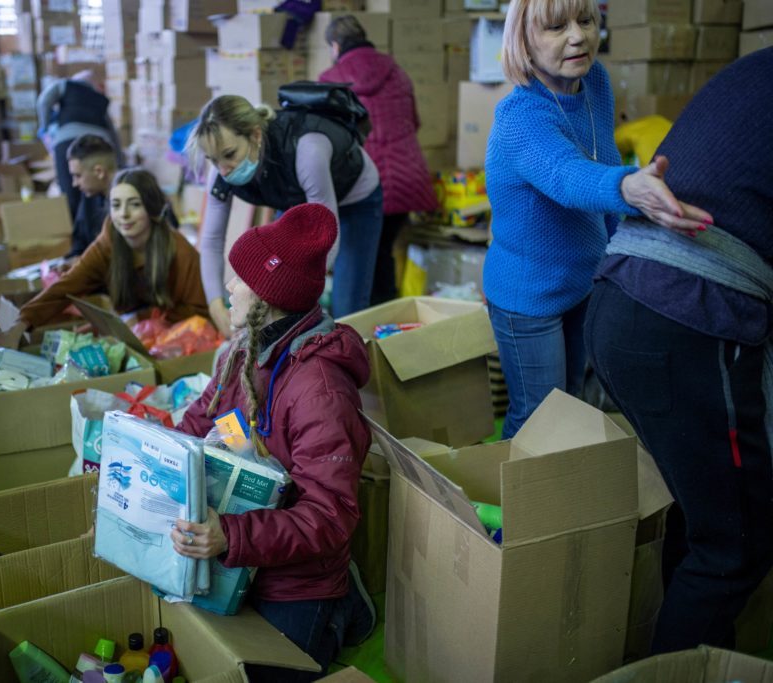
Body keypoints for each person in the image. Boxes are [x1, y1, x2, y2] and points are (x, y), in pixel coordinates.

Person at [586, 47, 773, 655]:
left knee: (702, 514)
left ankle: (704, 659)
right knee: (736, 547)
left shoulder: (755, 67)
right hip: (684, 320)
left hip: (621, 302)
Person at [483, 0, 711, 438]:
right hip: (528, 297)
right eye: (555, 27)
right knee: (536, 418)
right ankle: (519, 504)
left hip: (582, 282)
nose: (577, 36)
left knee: (572, 406)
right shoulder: (521, 117)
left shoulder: (595, 85)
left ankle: (571, 500)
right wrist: (629, 188)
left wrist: (619, 257)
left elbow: (602, 156)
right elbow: (566, 175)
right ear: (524, 42)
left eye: (586, 21)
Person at [171, 204, 375, 681]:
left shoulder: (320, 391)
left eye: (238, 279)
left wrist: (233, 536)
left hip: (294, 578)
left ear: (268, 296)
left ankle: (340, 604)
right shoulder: (241, 351)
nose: (227, 288)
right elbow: (199, 420)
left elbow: (329, 515)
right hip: (237, 543)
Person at [189, 94, 382, 335]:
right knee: (277, 299)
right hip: (294, 198)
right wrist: (216, 305)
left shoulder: (307, 149)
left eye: (229, 155)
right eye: (213, 160)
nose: (223, 170)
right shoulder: (221, 167)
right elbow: (211, 241)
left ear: (256, 135)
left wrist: (288, 293)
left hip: (354, 199)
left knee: (346, 306)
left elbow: (328, 234)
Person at [319, 14, 436, 305]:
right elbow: (414, 121)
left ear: (335, 46)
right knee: (382, 253)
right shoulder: (396, 71)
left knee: (359, 260)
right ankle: (387, 325)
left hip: (364, 184)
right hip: (407, 178)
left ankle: (368, 330)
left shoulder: (329, 81)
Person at [18, 168, 209, 330]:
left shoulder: (181, 251)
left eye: (134, 205)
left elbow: (200, 311)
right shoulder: (107, 243)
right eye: (116, 205)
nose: (123, 214)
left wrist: (136, 321)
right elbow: (66, 287)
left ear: (151, 208)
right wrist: (22, 322)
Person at [37, 71, 124, 220]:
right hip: (98, 144)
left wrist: (44, 126)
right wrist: (119, 161)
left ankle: (76, 230)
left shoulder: (65, 84)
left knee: (70, 191)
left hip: (66, 140)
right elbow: (112, 130)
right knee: (97, 191)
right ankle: (99, 228)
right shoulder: (100, 99)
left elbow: (44, 101)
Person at [65, 134, 118, 261]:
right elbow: (79, 243)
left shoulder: (136, 195)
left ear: (99, 172)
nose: (74, 183)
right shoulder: (90, 196)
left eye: (78, 176)